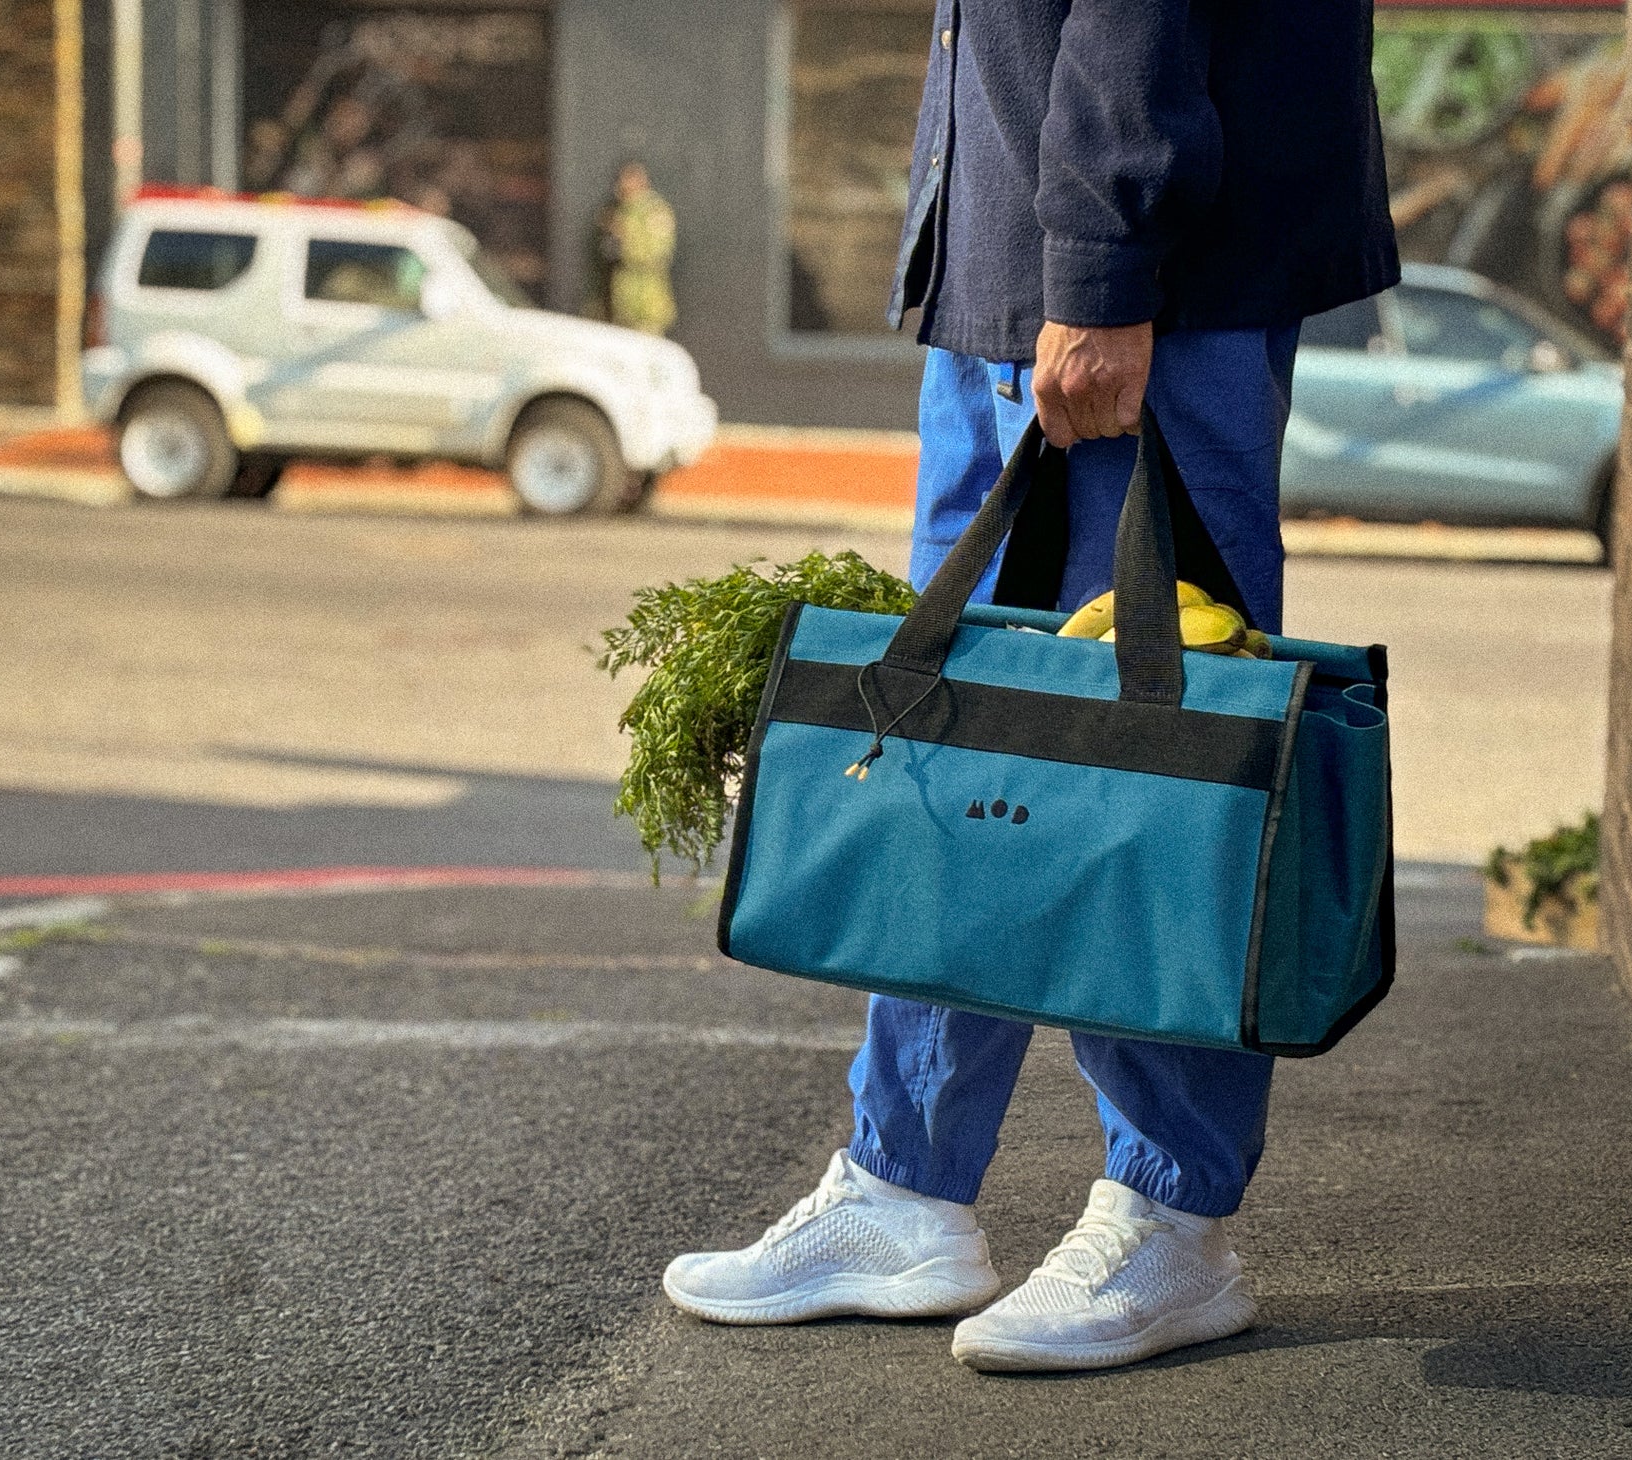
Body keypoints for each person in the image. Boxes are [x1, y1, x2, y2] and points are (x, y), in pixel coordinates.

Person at [665, 1, 1398, 1372]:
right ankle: (904, 1187)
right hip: (1006, 263)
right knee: (960, 736)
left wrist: (1102, 267)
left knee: (1153, 761)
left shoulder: (1112, 271)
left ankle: (1173, 1221)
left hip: (1133, 286)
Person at [587, 162, 678, 336]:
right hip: (623, 299)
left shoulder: (654, 211)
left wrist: (626, 236)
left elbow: (657, 255)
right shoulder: (622, 211)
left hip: (646, 302)